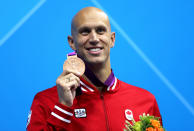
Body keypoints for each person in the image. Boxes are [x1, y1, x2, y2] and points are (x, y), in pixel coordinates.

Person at [26, 7, 162, 131]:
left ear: (112, 39)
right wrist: (64, 107)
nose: (94, 38)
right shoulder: (45, 101)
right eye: (85, 32)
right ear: (72, 42)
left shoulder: (145, 101)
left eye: (100, 30)